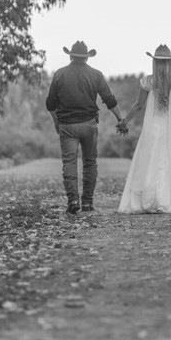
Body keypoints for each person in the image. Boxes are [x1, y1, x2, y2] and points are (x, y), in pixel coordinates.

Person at [46, 41, 127, 214]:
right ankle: (88, 202)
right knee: (90, 163)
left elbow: (50, 103)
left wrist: (56, 122)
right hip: (90, 125)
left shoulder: (59, 74)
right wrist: (120, 119)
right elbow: (109, 99)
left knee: (69, 162)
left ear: (70, 55)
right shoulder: (96, 75)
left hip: (67, 126)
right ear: (87, 57)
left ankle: (73, 200)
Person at [117, 44, 171, 214]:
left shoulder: (149, 81)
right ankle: (165, 200)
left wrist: (125, 121)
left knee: (151, 160)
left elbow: (138, 105)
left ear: (154, 62)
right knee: (169, 161)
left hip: (153, 127)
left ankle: (150, 199)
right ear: (170, 63)